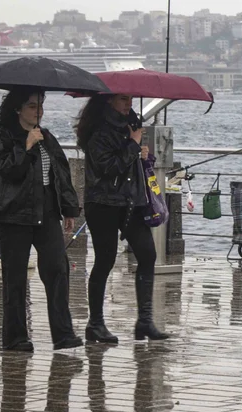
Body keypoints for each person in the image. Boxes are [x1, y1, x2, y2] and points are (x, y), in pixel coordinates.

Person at [0, 88, 83, 352]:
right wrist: (26, 147)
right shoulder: (3, 138)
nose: (38, 111)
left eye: (41, 105)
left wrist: (69, 209)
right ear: (17, 109)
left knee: (58, 270)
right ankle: (15, 338)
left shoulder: (46, 138)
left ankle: (63, 334)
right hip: (15, 216)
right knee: (15, 278)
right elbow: (8, 172)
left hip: (46, 213)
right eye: (32, 106)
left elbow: (61, 174)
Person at [76, 93, 169, 343]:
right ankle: (95, 324)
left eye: (130, 99)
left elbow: (129, 164)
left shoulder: (131, 125)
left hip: (131, 202)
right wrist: (133, 145)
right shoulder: (98, 131)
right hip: (103, 203)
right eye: (123, 99)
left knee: (147, 254)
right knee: (104, 260)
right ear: (109, 100)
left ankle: (145, 321)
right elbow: (108, 168)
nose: (128, 103)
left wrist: (142, 154)